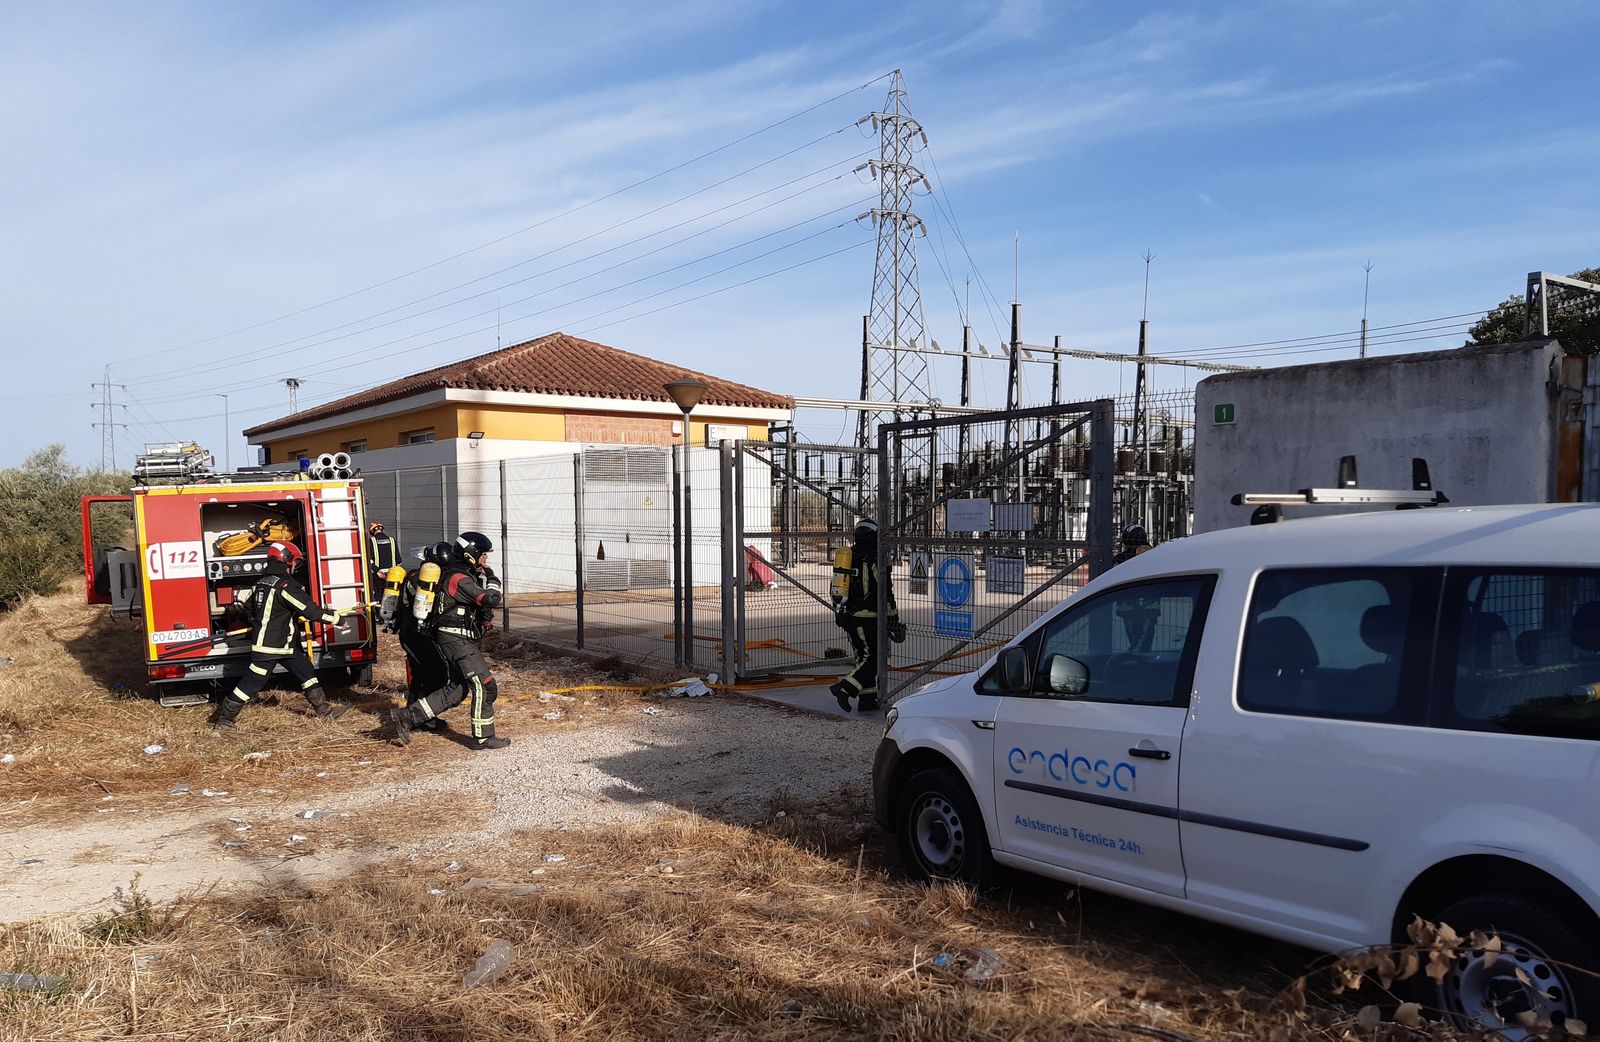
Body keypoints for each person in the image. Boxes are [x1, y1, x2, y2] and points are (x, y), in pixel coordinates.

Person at [210, 541, 351, 730]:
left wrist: (262, 623)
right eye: (295, 562)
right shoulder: (286, 586)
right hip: (271, 647)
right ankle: (224, 720)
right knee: (251, 683)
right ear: (287, 560)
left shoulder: (260, 583)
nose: (295, 566)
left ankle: (324, 712)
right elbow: (309, 611)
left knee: (306, 672)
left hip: (285, 645)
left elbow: (249, 608)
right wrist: (337, 619)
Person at [388, 532, 508, 749]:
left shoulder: (459, 574)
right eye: (483, 555)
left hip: (456, 637)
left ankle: (407, 716)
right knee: (485, 685)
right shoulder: (458, 578)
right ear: (471, 554)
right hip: (456, 639)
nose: (486, 559)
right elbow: (490, 599)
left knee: (457, 689)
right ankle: (483, 737)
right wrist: (491, 577)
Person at [830, 518, 905, 714]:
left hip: (848, 615)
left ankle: (868, 699)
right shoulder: (874, 558)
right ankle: (845, 688)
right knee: (872, 658)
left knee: (862, 657)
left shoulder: (846, 557)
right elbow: (885, 591)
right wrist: (893, 619)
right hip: (868, 617)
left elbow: (837, 586)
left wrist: (839, 612)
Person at [392, 541, 455, 730]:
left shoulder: (414, 575)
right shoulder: (419, 580)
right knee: (438, 675)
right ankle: (417, 717)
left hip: (412, 632)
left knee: (420, 674)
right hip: (415, 633)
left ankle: (416, 716)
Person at [366, 521, 399, 588]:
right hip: (391, 575)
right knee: (390, 596)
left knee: (378, 597)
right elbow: (398, 560)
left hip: (377, 575)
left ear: (372, 531)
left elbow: (369, 559)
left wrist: (377, 571)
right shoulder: (392, 540)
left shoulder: (371, 541)